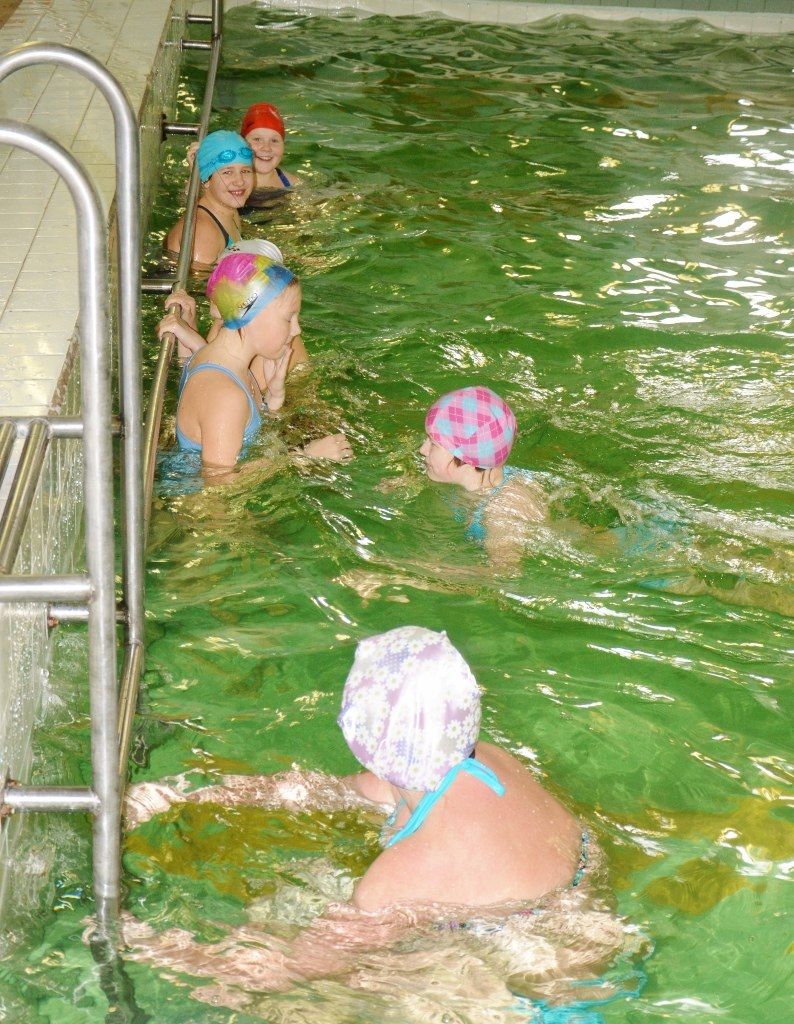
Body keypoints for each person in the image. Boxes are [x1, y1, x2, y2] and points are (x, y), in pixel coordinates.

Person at [126, 626, 587, 908]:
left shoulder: (400, 876)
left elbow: (300, 967)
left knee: (283, 918)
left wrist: (153, 946)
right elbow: (326, 791)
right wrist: (191, 794)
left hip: (523, 983)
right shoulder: (482, 757)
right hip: (580, 901)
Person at [167, 249, 351, 480]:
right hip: (192, 497)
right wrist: (303, 456)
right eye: (289, 318)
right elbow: (218, 486)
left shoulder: (223, 362)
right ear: (252, 316)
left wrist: (273, 399)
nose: (296, 330)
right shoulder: (225, 395)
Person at [158, 238, 309, 368]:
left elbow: (231, 385)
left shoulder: (277, 341)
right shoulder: (223, 323)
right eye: (216, 271)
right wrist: (188, 322)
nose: (214, 282)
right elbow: (194, 375)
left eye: (226, 277)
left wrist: (195, 343)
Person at [164, 130, 254, 268]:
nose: (240, 181)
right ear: (206, 180)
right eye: (227, 172)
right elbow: (196, 281)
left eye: (245, 171)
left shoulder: (229, 210)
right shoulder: (204, 233)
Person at [240, 102, 301, 203]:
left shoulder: (293, 184)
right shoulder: (228, 181)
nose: (266, 148)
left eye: (274, 141)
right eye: (257, 139)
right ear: (241, 142)